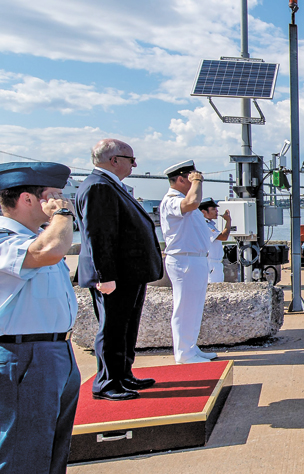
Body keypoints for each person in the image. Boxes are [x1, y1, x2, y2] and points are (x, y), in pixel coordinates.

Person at [0, 162, 90, 474]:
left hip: (54, 351)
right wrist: (64, 215)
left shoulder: (33, 237)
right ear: (26, 199)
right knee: (24, 451)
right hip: (24, 354)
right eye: (52, 197)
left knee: (52, 444)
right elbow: (49, 252)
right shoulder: (7, 240)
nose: (60, 202)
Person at [76, 139, 162, 401]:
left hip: (129, 274)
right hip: (116, 275)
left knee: (126, 326)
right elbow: (99, 235)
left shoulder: (110, 185)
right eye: (131, 159)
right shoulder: (99, 187)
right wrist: (106, 276)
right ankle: (107, 382)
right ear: (114, 160)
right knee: (112, 328)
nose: (134, 164)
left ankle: (123, 374)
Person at [160, 161, 217, 364]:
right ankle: (184, 354)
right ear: (182, 179)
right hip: (185, 260)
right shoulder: (172, 200)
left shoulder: (183, 200)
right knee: (185, 309)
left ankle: (191, 347)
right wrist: (198, 182)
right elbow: (192, 203)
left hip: (195, 259)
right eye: (191, 178)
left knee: (194, 308)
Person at [199, 198, 231, 283]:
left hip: (215, 263)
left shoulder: (209, 224)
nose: (216, 211)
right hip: (211, 263)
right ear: (204, 212)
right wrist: (228, 221)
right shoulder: (205, 225)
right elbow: (223, 237)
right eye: (213, 209)